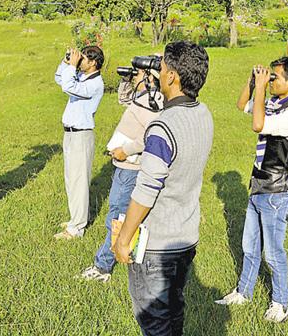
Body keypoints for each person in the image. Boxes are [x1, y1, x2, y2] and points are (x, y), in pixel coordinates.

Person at [114, 41, 214, 336]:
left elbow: (146, 191)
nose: (158, 74)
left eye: (163, 69)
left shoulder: (163, 126)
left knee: (155, 323)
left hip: (157, 247)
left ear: (171, 76)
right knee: (173, 314)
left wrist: (124, 239)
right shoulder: (203, 113)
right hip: (186, 238)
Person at [216, 56, 288, 325]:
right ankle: (243, 292)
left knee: (273, 252)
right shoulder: (277, 104)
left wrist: (260, 88)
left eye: (275, 78)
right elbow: (242, 105)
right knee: (249, 245)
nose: (270, 82)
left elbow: (258, 124)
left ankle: (280, 303)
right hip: (259, 186)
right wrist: (252, 80)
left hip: (276, 192)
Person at [79, 66, 164, 282]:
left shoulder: (153, 103)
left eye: (138, 73)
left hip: (131, 168)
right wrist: (128, 80)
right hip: (126, 166)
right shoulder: (145, 98)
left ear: (149, 77)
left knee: (117, 215)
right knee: (120, 214)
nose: (134, 76)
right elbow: (124, 99)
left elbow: (151, 136)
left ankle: (104, 266)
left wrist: (125, 151)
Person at [54, 46, 105, 240]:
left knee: (79, 182)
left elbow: (68, 86)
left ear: (93, 62)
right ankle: (76, 217)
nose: (79, 61)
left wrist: (72, 66)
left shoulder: (96, 84)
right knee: (71, 180)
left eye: (82, 59)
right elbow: (60, 79)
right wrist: (66, 62)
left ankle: (77, 228)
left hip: (81, 136)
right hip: (70, 134)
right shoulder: (84, 78)